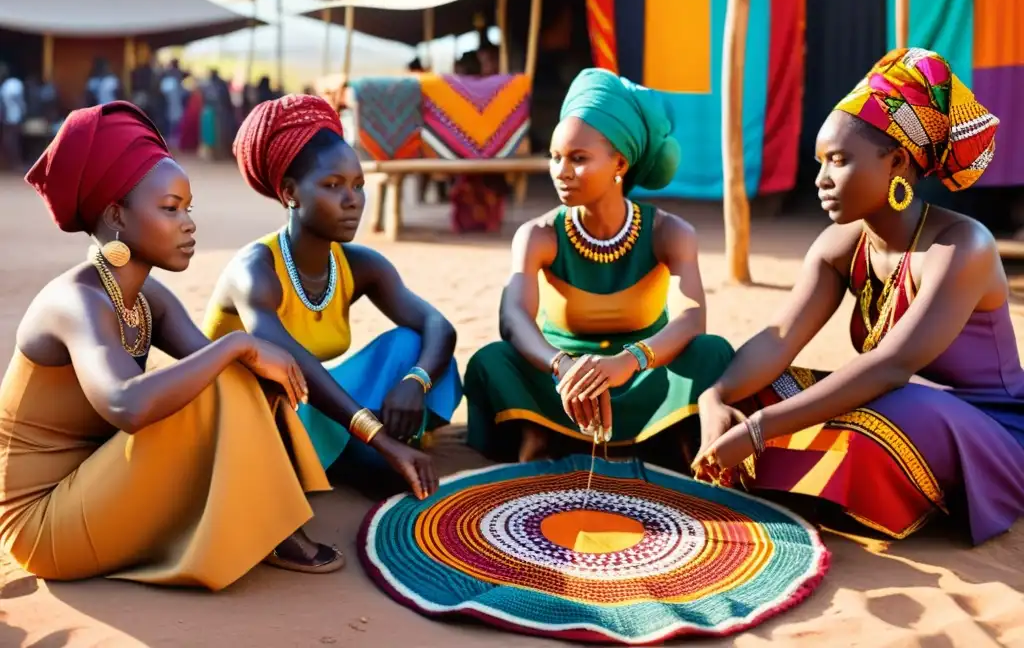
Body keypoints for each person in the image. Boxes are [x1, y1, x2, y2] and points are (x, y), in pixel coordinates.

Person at [0, 101, 345, 590]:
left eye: (188, 208)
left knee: (235, 375)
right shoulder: (74, 302)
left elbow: (224, 377)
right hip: (42, 523)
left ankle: (275, 512)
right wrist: (238, 346)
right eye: (170, 208)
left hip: (96, 481)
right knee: (228, 365)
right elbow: (126, 403)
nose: (189, 223)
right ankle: (271, 523)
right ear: (117, 213)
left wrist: (243, 356)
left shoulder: (146, 298)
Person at [692, 48, 1024, 545]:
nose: (821, 179)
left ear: (896, 161)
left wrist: (759, 429)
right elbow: (779, 339)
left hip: (984, 431)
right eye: (820, 162)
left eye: (839, 160)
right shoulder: (840, 246)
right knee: (737, 376)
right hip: (888, 403)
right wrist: (716, 397)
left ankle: (791, 474)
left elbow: (891, 366)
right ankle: (796, 475)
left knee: (889, 407)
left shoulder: (961, 247)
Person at [463, 68, 735, 464]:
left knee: (712, 352)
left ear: (620, 163)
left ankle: (658, 438)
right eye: (555, 158)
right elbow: (514, 317)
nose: (561, 171)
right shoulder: (538, 234)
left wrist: (629, 362)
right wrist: (562, 365)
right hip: (560, 383)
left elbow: (691, 319)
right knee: (492, 360)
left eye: (578, 158)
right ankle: (541, 436)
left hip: (641, 373)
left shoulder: (669, 232)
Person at [203, 94, 462, 499]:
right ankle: (356, 449)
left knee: (413, 346)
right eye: (332, 185)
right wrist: (377, 436)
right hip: (260, 416)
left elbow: (437, 326)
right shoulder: (255, 270)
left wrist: (415, 380)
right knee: (383, 472)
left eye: (358, 185)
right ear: (291, 193)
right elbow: (294, 368)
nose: (353, 200)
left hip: (317, 405)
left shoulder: (360, 265)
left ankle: (355, 445)